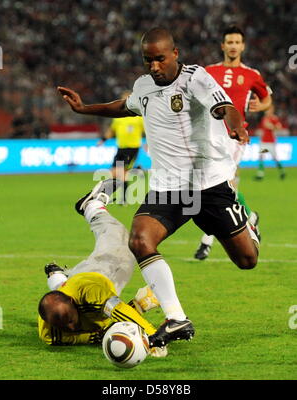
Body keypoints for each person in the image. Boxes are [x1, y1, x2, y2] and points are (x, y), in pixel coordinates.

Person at [57, 27, 259, 349]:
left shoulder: (196, 78)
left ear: (175, 54)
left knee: (247, 260)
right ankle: (176, 318)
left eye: (160, 59)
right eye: (148, 60)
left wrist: (234, 123)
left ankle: (249, 225)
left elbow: (223, 106)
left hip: (209, 183)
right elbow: (125, 106)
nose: (154, 66)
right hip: (169, 186)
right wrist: (85, 109)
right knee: (140, 239)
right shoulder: (143, 86)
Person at [38, 178, 166, 356]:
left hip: (101, 273)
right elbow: (81, 335)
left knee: (120, 238)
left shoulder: (93, 292)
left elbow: (120, 312)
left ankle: (92, 207)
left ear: (73, 303)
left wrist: (153, 337)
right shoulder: (48, 328)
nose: (71, 327)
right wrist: (95, 336)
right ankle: (57, 277)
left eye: (70, 321)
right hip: (73, 283)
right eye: (64, 326)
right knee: (98, 316)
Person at [194, 25, 272, 260]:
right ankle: (249, 218)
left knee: (221, 187)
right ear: (223, 45)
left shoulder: (252, 74)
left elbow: (267, 97)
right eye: (229, 42)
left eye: (237, 42)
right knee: (212, 188)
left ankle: (206, 242)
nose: (233, 46)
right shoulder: (207, 71)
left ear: (243, 46)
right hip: (208, 137)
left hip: (234, 137)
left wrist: (262, 105)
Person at [100, 90, 145, 203]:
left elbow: (148, 131)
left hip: (132, 148)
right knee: (114, 172)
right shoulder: (118, 117)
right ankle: (136, 170)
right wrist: (103, 139)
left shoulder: (139, 117)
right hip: (121, 148)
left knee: (122, 172)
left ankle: (123, 199)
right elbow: (112, 130)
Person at [255, 104, 285, 180]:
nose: (267, 111)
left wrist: (271, 126)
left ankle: (282, 172)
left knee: (275, 158)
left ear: (272, 110)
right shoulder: (264, 119)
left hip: (271, 142)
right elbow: (263, 128)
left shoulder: (274, 118)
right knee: (261, 157)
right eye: (267, 110)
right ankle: (260, 175)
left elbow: (279, 127)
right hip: (264, 142)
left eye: (269, 109)